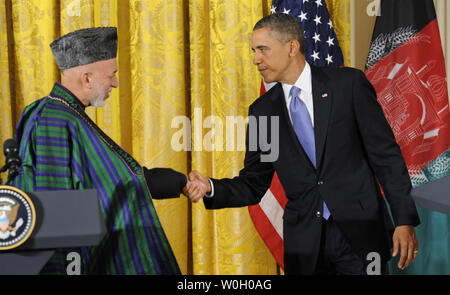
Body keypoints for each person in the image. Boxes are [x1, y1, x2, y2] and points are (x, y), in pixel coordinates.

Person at [185, 13, 420, 275]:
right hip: (305, 246)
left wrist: (404, 220)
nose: (255, 59)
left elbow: (385, 156)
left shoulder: (348, 85)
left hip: (362, 235)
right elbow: (254, 182)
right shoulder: (263, 111)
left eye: (263, 50)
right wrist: (210, 186)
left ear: (292, 47)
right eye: (254, 51)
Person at [13, 27, 186, 274]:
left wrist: (172, 182)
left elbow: (109, 180)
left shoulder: (66, 113)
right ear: (87, 78)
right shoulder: (53, 120)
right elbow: (55, 213)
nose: (116, 83)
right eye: (112, 74)